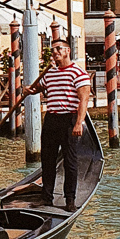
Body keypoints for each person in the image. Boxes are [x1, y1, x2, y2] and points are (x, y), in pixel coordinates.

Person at [21, 31, 91, 208]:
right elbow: (40, 87)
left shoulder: (79, 73)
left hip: (69, 119)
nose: (55, 52)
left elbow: (84, 100)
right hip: (51, 119)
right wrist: (30, 89)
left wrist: (78, 123)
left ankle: (70, 200)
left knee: (70, 161)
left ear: (67, 51)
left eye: (58, 49)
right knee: (48, 160)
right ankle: (47, 197)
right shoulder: (49, 73)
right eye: (52, 50)